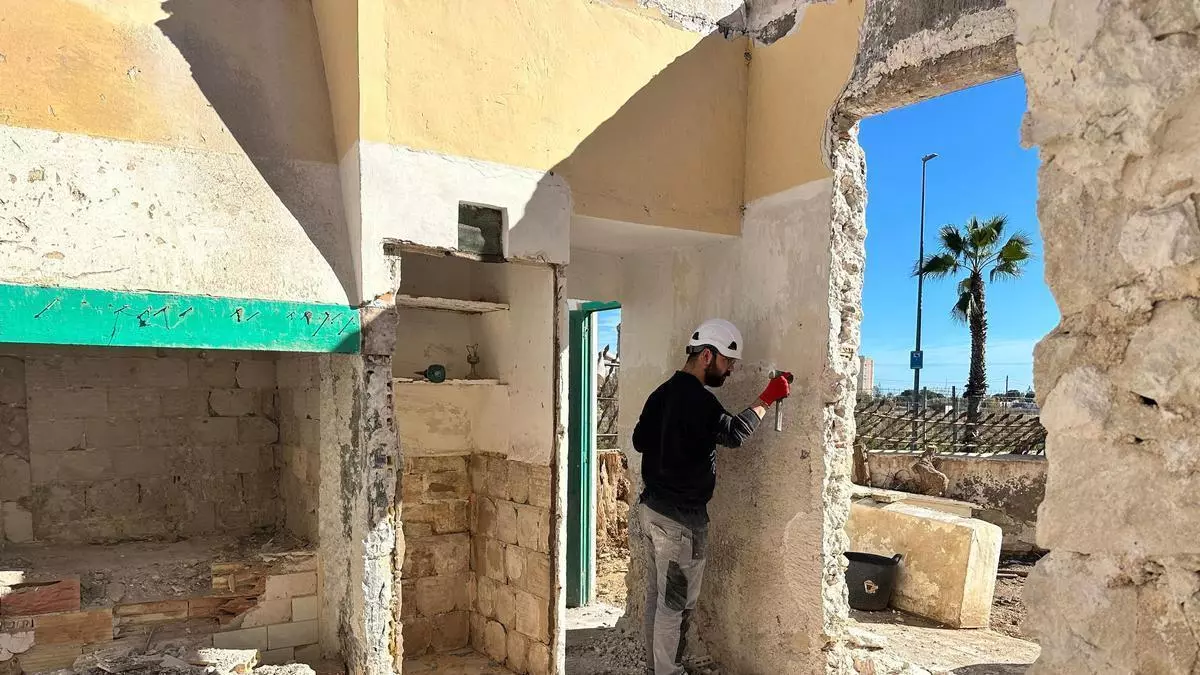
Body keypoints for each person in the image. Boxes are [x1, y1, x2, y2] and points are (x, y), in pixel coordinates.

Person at [631, 318, 792, 675]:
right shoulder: (701, 402)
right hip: (680, 523)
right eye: (728, 361)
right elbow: (735, 433)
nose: (731, 370)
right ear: (707, 355)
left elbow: (639, 441)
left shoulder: (660, 394)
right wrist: (768, 397)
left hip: (652, 512)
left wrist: (673, 443)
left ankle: (656, 668)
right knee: (676, 606)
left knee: (659, 598)